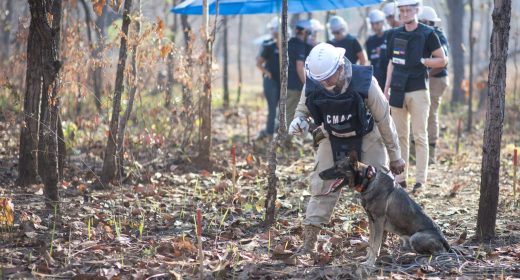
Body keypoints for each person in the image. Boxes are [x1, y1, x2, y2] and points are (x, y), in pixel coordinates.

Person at [288, 42, 406, 254]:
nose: (324, 83)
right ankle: (309, 242)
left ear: (340, 67)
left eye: (328, 78)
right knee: (321, 183)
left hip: (367, 135)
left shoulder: (366, 83)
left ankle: (381, 241)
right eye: (319, 79)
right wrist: (299, 121)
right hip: (331, 136)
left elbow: (384, 120)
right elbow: (302, 109)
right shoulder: (313, 83)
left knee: (380, 185)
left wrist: (395, 155)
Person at [383, 0, 448, 193]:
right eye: (402, 10)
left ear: (417, 10)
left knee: (419, 136)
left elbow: (442, 60)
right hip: (397, 89)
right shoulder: (393, 34)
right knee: (400, 136)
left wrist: (423, 61)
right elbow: (391, 63)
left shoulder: (428, 33)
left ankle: (421, 181)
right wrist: (385, 89)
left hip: (418, 89)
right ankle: (401, 179)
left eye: (408, 10)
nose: (405, 13)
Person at [418, 6, 450, 164]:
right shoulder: (420, 35)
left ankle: (431, 155)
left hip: (436, 79)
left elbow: (443, 63)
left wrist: (425, 75)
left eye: (421, 21)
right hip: (424, 79)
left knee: (430, 115)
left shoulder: (437, 35)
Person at [255, 17, 281, 140]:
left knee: (282, 109)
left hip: (283, 82)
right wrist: (267, 72)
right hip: (271, 82)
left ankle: (281, 133)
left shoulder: (287, 47)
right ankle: (270, 134)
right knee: (272, 110)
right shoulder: (268, 46)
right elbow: (258, 63)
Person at [286, 19, 312, 125]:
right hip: (296, 85)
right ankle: (287, 139)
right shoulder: (300, 45)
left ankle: (292, 137)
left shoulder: (289, 43)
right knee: (292, 113)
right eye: (309, 33)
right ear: (305, 32)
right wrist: (307, 85)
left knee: (288, 111)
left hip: (287, 83)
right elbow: (299, 66)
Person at [365, 10, 388, 89]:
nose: (375, 26)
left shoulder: (389, 36)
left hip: (389, 75)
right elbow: (370, 59)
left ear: (383, 22)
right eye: (372, 24)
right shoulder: (369, 40)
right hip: (376, 77)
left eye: (377, 23)